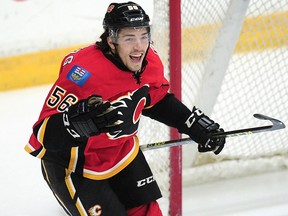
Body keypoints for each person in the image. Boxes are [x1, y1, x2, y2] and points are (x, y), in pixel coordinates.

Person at [25, 2, 225, 215]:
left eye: (143, 36)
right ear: (111, 40)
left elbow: (154, 100)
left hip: (122, 154)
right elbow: (44, 135)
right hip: (74, 165)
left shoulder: (150, 62)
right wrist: (75, 124)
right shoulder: (83, 72)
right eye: (129, 38)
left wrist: (191, 123)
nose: (139, 46)